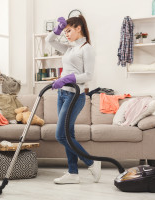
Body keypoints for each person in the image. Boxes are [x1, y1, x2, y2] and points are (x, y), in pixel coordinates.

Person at [46, 15, 101, 184]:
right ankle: (73, 173)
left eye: (68, 30)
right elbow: (50, 41)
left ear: (79, 28)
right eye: (64, 31)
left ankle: (92, 162)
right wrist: (57, 29)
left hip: (75, 96)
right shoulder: (70, 49)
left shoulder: (86, 48)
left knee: (61, 135)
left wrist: (66, 78)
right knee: (68, 134)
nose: (66, 34)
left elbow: (88, 75)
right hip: (62, 95)